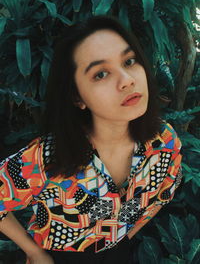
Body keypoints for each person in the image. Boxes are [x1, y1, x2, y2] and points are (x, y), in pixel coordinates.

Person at [0, 15, 182, 264]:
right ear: (77, 98)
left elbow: (165, 190)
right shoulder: (46, 158)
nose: (127, 79)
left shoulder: (163, 142)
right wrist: (34, 252)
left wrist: (126, 234)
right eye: (101, 74)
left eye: (129, 61)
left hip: (120, 251)